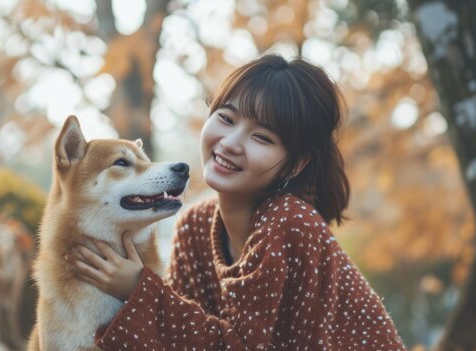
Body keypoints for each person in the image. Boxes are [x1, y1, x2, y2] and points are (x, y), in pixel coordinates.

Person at [72, 54, 406, 350]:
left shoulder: (290, 224)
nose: (231, 143)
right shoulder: (195, 226)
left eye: (261, 137)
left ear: (295, 164)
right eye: (226, 119)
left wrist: (138, 290)